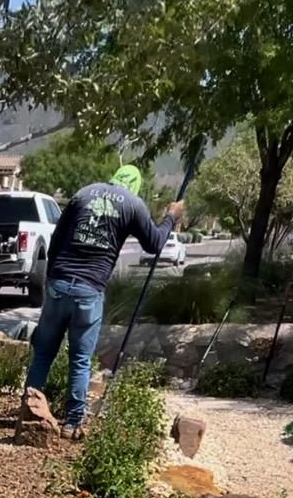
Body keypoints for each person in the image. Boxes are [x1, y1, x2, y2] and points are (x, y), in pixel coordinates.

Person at [25, 163, 185, 438]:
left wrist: (53, 278)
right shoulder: (132, 205)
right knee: (80, 359)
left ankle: (27, 411)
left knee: (43, 351)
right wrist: (171, 216)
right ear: (135, 185)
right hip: (89, 291)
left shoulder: (84, 194)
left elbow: (56, 239)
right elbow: (155, 243)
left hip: (59, 285)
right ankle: (72, 423)